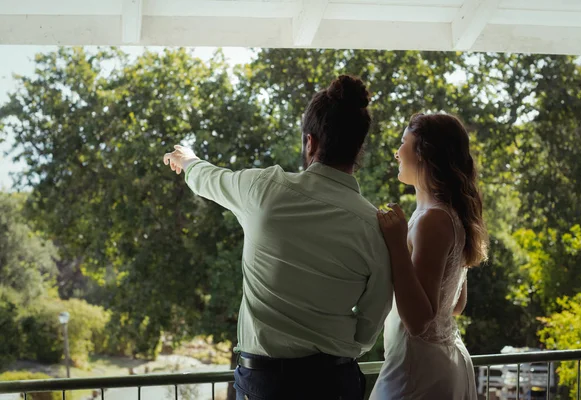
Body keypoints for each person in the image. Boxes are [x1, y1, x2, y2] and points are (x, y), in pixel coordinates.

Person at [163, 75, 392, 400]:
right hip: (335, 383)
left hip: (265, 384)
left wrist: (187, 161)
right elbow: (373, 318)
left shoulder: (264, 190)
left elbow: (210, 178)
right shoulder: (374, 226)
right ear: (359, 148)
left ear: (310, 142)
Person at [370, 113, 488, 400]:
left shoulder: (432, 220)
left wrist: (397, 244)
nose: (397, 152)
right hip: (442, 363)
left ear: (423, 152)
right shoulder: (450, 215)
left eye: (403, 143)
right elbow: (455, 304)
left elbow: (419, 320)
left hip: (418, 372)